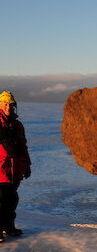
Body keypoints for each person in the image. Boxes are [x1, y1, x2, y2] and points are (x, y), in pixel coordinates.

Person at [0, 91, 31, 243]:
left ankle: (8, 226)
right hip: (1, 170)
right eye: (5, 104)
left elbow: (23, 146)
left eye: (11, 104)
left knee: (11, 200)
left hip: (15, 170)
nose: (8, 107)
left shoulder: (17, 125)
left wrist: (27, 165)